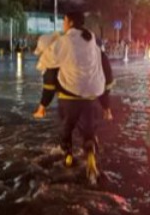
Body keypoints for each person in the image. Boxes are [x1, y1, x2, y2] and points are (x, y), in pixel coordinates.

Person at [39, 11, 109, 184]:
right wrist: (106, 106)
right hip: (92, 97)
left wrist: (42, 105)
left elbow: (49, 66)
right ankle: (90, 150)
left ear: (69, 22)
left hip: (69, 97)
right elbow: (106, 69)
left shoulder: (64, 41)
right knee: (88, 131)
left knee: (67, 128)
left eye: (63, 20)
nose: (63, 23)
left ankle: (68, 155)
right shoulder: (93, 41)